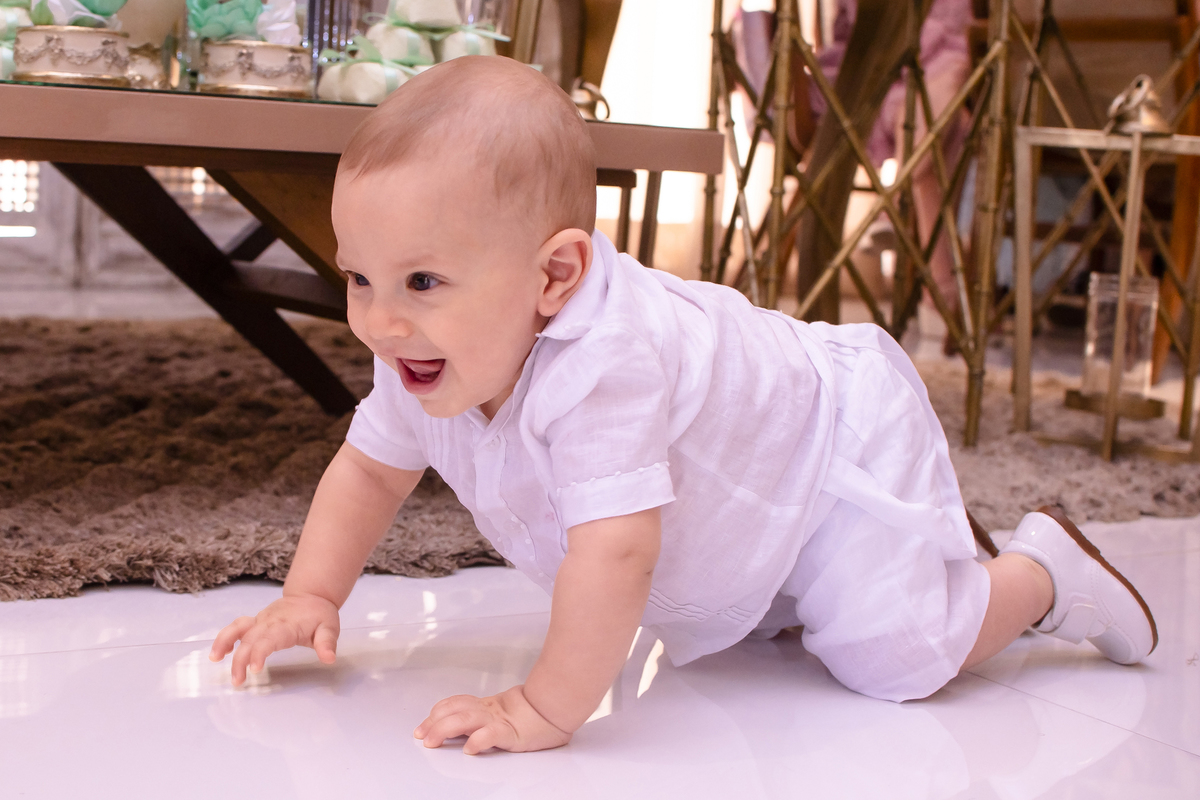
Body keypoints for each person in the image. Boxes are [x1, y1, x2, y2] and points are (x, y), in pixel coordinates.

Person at [208, 56, 1157, 755]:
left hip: (828, 446)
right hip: (742, 485)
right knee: (773, 621)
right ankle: (797, 592)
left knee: (896, 658)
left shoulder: (605, 363)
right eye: (358, 277)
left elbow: (617, 546)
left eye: (420, 279)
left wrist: (545, 706)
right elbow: (371, 467)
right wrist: (311, 595)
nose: (379, 320)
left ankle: (1037, 575)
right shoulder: (419, 345)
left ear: (557, 275)